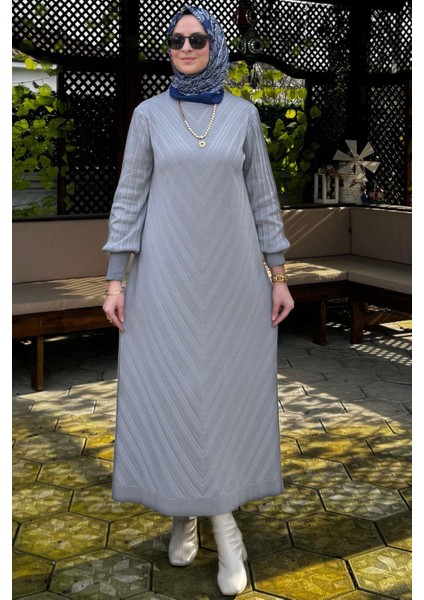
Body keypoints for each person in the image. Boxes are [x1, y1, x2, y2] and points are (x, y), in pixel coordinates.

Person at [103, 5, 294, 595]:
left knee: (224, 397)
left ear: (215, 46)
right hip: (163, 281)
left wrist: (279, 273)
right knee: (173, 394)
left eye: (197, 39)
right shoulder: (147, 115)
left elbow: (262, 196)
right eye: (176, 39)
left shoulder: (243, 115)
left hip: (234, 284)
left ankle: (224, 524)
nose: (185, 47)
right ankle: (186, 513)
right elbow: (130, 196)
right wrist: (115, 280)